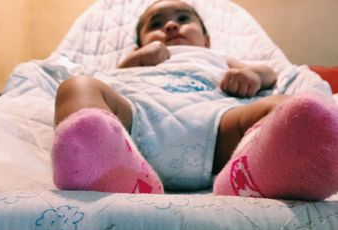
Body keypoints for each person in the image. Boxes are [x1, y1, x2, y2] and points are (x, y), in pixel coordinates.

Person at [52, 0, 338, 201]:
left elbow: (270, 74)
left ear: (207, 40)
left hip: (218, 127)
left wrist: (251, 75)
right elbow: (107, 79)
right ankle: (109, 168)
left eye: (183, 19)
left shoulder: (217, 58)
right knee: (76, 86)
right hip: (134, 126)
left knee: (285, 106)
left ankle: (246, 176)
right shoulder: (134, 61)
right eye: (156, 23)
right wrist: (137, 59)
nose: (171, 26)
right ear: (140, 43)